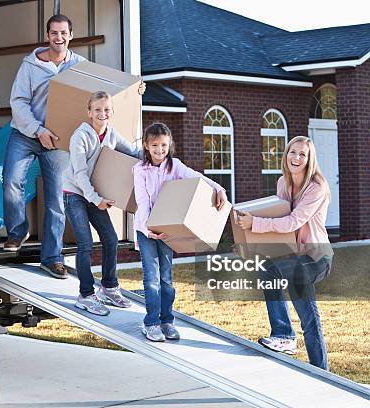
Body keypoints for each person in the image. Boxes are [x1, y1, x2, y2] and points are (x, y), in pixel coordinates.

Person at [3, 14, 145, 279]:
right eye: (54, 33)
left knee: (57, 199)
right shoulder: (30, 66)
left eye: (63, 33)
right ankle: (17, 231)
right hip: (26, 133)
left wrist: (135, 91)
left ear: (71, 35)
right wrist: (37, 129)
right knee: (11, 180)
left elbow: (106, 93)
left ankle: (52, 258)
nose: (59, 38)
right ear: (47, 36)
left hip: (58, 140)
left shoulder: (80, 66)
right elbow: (18, 102)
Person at [236, 135, 333, 370]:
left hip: (316, 257)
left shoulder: (316, 187)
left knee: (270, 272)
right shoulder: (283, 183)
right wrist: (248, 243)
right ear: (286, 154)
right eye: (293, 152)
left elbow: (292, 222)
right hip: (294, 257)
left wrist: (255, 224)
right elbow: (277, 220)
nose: (296, 157)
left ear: (310, 160)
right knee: (308, 316)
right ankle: (321, 371)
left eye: (302, 154)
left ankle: (284, 335)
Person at [133, 122, 228, 342]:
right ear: (147, 146)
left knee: (166, 279)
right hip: (146, 229)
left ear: (169, 145)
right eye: (155, 145)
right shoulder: (139, 170)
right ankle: (151, 323)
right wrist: (149, 229)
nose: (159, 150)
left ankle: (167, 321)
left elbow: (196, 177)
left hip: (167, 230)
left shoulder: (174, 166)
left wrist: (218, 188)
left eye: (164, 145)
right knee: (151, 279)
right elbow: (142, 201)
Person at [62, 91, 142, 316]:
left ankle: (108, 287)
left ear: (112, 112)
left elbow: (134, 151)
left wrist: (155, 153)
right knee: (85, 243)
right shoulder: (81, 136)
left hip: (93, 194)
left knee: (111, 239)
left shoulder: (112, 134)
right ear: (89, 112)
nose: (102, 113)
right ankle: (85, 295)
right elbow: (79, 174)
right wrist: (96, 199)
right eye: (97, 109)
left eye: (106, 109)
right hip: (75, 193)